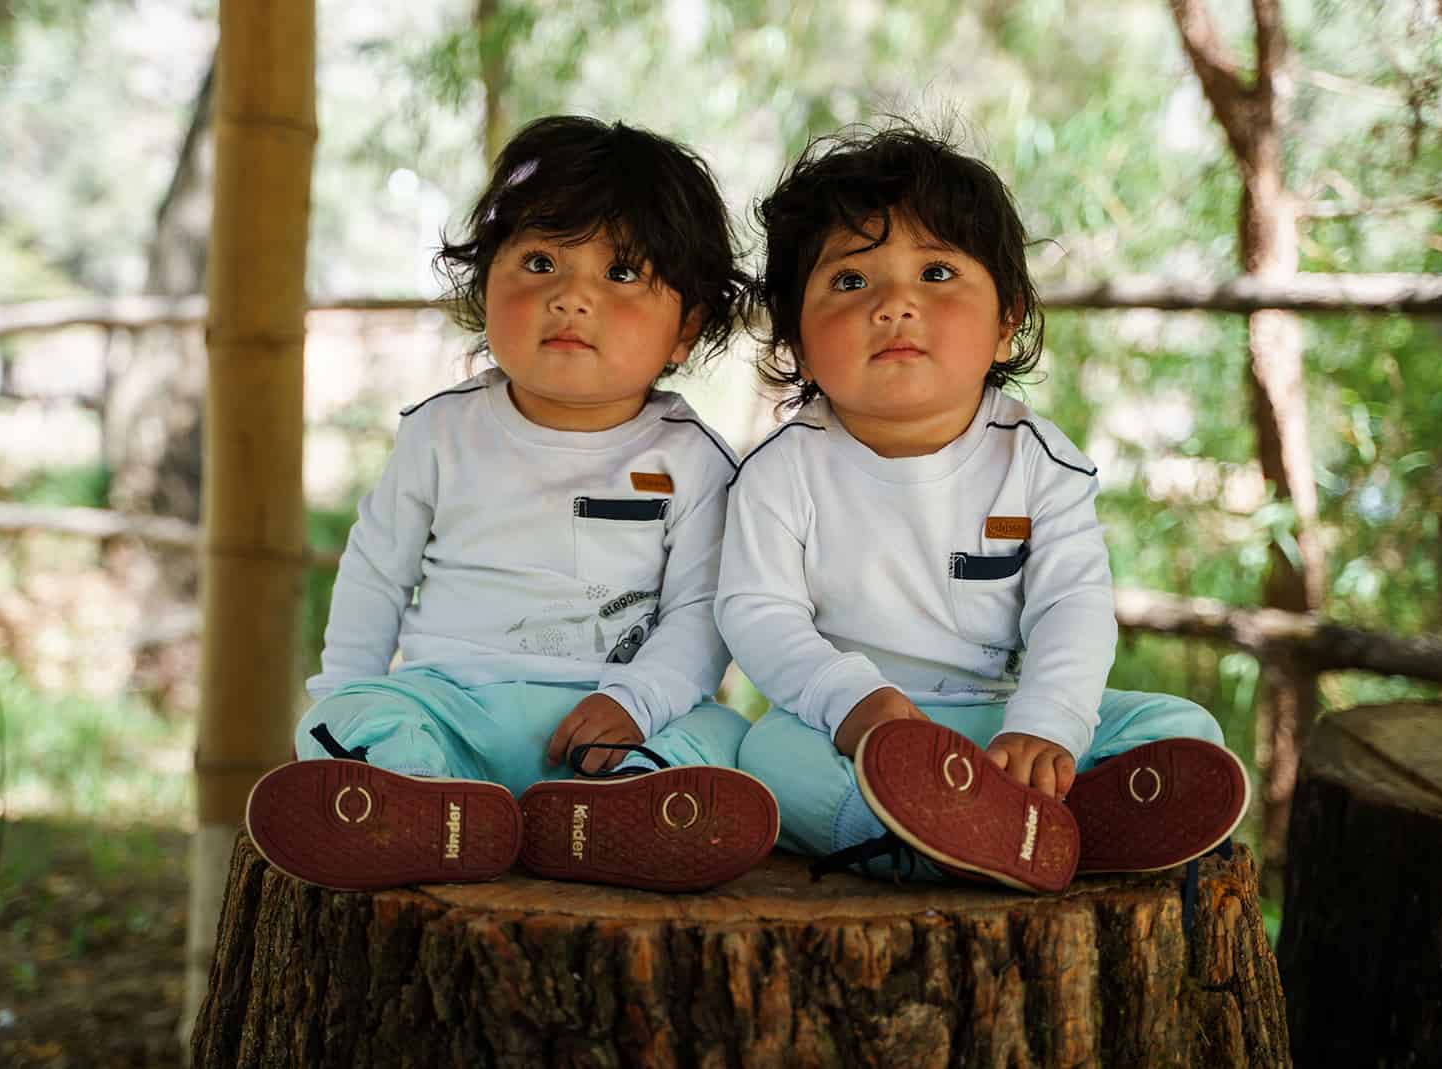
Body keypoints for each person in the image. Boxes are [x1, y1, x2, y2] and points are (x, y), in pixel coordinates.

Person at [246, 116, 778, 895]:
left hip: (611, 731)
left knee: (725, 742)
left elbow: (704, 611)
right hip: (450, 717)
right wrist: (352, 689)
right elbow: (375, 571)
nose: (570, 297)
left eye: (622, 273)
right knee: (341, 722)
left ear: (686, 329)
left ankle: (599, 820)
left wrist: (637, 702)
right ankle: (426, 806)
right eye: (538, 261)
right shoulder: (441, 432)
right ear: (484, 283)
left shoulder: (695, 462)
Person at [717, 123, 1247, 894]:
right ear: (796, 339)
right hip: (860, 735)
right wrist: (856, 703)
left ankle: (1036, 825)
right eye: (852, 281)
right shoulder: (780, 471)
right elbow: (758, 612)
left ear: (1007, 321)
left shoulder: (1038, 460)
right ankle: (936, 836)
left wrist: (1048, 724)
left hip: (1002, 729)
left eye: (936, 272)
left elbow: (1073, 603)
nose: (896, 305)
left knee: (1181, 728)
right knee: (768, 756)